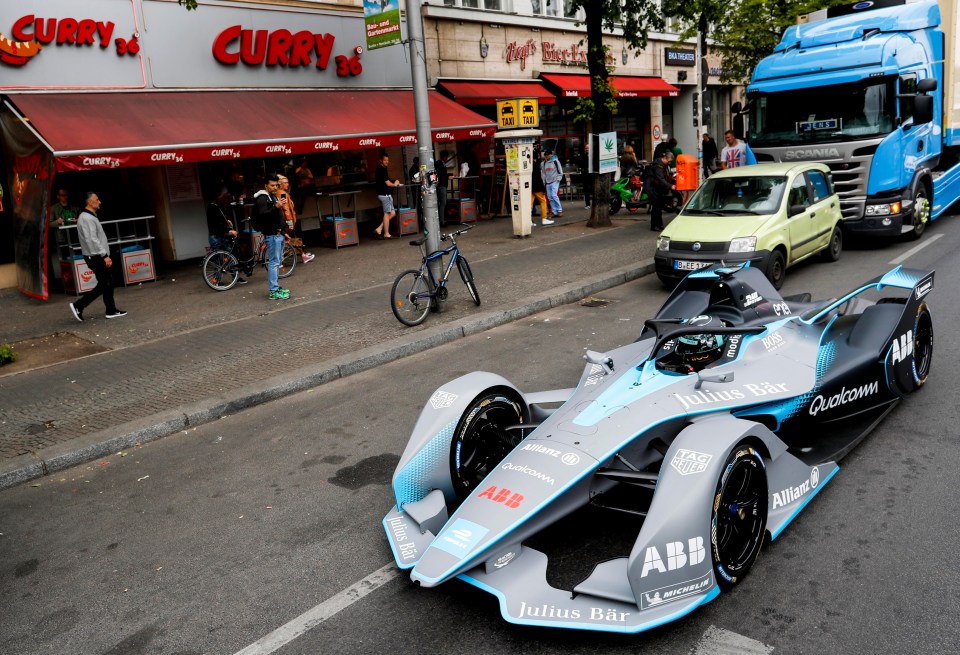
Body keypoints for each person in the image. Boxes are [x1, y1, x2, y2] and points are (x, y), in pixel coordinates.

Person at [68, 192, 126, 321]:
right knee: (105, 283)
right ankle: (79, 305)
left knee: (108, 282)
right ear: (89, 202)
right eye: (97, 199)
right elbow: (92, 239)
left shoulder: (88, 217)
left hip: (96, 255)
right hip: (96, 256)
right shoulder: (87, 218)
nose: (99, 202)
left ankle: (111, 310)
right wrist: (104, 255)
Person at [253, 174, 291, 300]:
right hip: (272, 235)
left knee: (277, 262)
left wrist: (284, 231)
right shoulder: (262, 198)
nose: (275, 187)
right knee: (274, 263)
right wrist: (276, 206)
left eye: (276, 185)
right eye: (272, 185)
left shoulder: (272, 196)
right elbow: (264, 215)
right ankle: (273, 291)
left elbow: (277, 217)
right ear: (266, 186)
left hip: (278, 234)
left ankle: (276, 287)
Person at [277, 175, 315, 264]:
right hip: (288, 221)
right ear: (280, 184)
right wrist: (290, 222)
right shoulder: (282, 193)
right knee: (292, 238)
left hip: (287, 221)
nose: (288, 184)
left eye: (287, 182)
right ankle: (302, 256)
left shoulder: (281, 192)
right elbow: (286, 209)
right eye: (285, 183)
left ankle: (303, 255)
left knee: (292, 239)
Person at [49, 188, 80, 288]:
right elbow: (48, 224)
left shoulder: (74, 207)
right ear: (58, 196)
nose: (65, 197)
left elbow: (83, 218)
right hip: (62, 237)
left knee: (78, 256)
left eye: (66, 195)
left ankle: (79, 278)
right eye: (62, 195)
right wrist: (56, 222)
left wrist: (79, 220)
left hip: (76, 236)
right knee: (65, 259)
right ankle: (69, 282)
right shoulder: (53, 209)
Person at [645, 151, 676, 232]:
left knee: (658, 206)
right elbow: (661, 179)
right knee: (656, 207)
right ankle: (655, 225)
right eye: (669, 161)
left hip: (655, 187)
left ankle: (659, 224)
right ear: (665, 158)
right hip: (652, 188)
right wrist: (670, 186)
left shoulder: (661, 164)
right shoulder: (658, 166)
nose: (669, 163)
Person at [374, 153, 402, 239]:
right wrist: (395, 184)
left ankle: (379, 228)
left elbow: (387, 180)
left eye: (387, 160)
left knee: (393, 213)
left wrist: (394, 181)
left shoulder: (383, 168)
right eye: (385, 160)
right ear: (381, 161)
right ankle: (386, 233)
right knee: (387, 213)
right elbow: (387, 183)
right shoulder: (381, 169)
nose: (387, 162)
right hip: (384, 194)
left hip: (386, 194)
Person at [541, 149, 564, 220]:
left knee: (554, 195)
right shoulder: (543, 163)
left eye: (547, 156)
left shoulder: (556, 162)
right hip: (548, 182)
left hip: (555, 181)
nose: (546, 157)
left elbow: (560, 171)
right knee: (550, 197)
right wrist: (544, 181)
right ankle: (554, 212)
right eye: (545, 156)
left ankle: (559, 210)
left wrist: (558, 179)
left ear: (551, 155)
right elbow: (543, 173)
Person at [531, 149, 550, 226]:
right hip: (538, 187)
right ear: (537, 156)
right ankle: (544, 218)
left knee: (530, 204)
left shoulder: (529, 165)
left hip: (530, 188)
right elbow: (539, 178)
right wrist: (543, 188)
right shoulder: (536, 166)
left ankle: (528, 220)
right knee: (543, 201)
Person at [435, 150, 451, 227]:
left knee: (441, 203)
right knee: (443, 203)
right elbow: (442, 174)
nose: (447, 158)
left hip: (441, 185)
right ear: (444, 157)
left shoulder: (440, 163)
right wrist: (448, 176)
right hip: (441, 186)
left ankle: (441, 219)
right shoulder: (440, 164)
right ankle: (442, 221)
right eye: (446, 157)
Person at [408, 156, 422, 222]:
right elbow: (417, 178)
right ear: (418, 162)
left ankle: (418, 218)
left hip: (414, 188)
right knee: (418, 202)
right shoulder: (416, 169)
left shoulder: (411, 169)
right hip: (417, 188)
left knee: (416, 202)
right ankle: (418, 218)